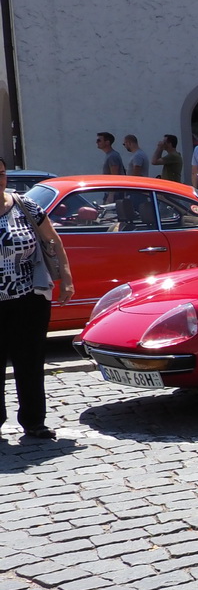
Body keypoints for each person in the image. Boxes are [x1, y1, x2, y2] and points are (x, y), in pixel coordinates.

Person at [0, 159, 74, 439]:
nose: (0, 179)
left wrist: (66, 278)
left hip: (29, 297)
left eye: (2, 174)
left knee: (29, 361)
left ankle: (33, 421)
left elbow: (53, 241)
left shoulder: (25, 206)